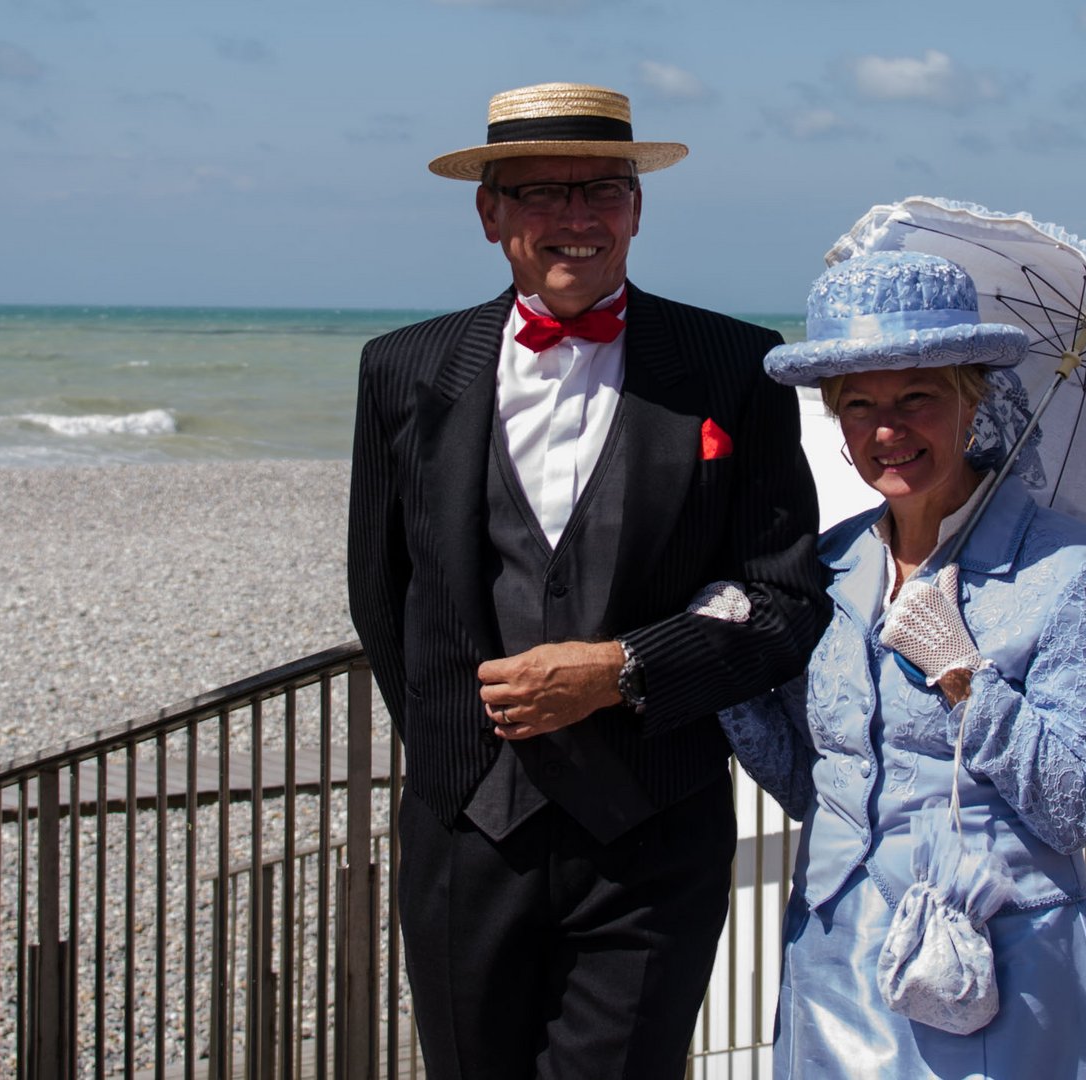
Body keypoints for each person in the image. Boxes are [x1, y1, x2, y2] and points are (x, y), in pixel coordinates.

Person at [347, 82, 829, 1079]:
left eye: (600, 190)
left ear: (636, 207)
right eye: (538, 194)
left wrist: (623, 669)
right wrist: (462, 757)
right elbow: (381, 595)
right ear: (488, 214)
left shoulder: (734, 365)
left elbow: (783, 601)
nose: (574, 217)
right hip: (464, 833)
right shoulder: (400, 370)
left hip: (654, 830)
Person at [722, 251, 1086, 1078]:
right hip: (833, 954)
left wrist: (963, 676)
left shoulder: (1073, 569)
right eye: (858, 404)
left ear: (971, 400)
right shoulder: (828, 568)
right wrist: (724, 679)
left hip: (996, 960)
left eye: (917, 397)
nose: (885, 429)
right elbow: (818, 783)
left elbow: (1077, 807)